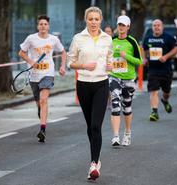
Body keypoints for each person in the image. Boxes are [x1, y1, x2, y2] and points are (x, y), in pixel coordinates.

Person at [67, 7, 113, 181]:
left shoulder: (107, 39)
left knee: (96, 126)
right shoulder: (78, 38)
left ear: (101, 20)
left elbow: (110, 59)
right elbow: (71, 62)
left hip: (101, 84)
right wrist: (84, 66)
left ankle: (94, 164)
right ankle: (96, 157)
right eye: (90, 19)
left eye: (96, 19)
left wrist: (111, 66)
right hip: (84, 85)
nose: (93, 22)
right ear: (85, 20)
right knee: (89, 127)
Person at [18, 15, 66, 143]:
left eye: (45, 24)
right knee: (39, 103)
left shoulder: (53, 39)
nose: (43, 26)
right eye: (40, 24)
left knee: (44, 100)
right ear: (37, 26)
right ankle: (42, 114)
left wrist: (62, 66)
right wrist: (30, 61)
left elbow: (63, 52)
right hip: (34, 75)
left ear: (48, 26)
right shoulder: (31, 39)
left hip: (48, 73)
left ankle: (42, 130)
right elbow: (21, 52)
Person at [109, 15, 142, 146]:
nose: (121, 27)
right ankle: (115, 136)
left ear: (128, 27)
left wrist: (126, 56)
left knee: (126, 107)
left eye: (123, 25)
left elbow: (139, 61)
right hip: (114, 76)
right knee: (115, 104)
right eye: (119, 25)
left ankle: (127, 133)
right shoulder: (111, 41)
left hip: (129, 78)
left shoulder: (132, 41)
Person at [142, 19, 177, 121]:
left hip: (166, 69)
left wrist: (166, 56)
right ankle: (154, 111)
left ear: (162, 27)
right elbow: (143, 48)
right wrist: (144, 58)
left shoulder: (168, 37)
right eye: (154, 25)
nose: (156, 27)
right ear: (152, 27)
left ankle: (165, 100)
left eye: (158, 25)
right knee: (153, 91)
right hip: (152, 69)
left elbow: (176, 49)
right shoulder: (148, 38)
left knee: (167, 91)